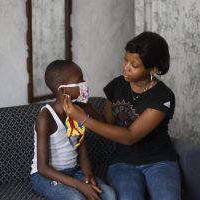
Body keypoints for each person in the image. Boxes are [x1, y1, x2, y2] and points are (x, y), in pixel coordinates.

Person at [63, 31, 182, 200]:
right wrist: (84, 105)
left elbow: (131, 136)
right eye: (126, 59)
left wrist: (83, 119)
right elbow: (106, 122)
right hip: (123, 162)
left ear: (153, 69)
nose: (126, 67)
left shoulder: (162, 96)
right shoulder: (117, 85)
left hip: (159, 161)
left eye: (134, 65)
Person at [30, 60, 116, 200]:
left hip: (75, 171)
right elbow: (43, 168)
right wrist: (80, 185)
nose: (84, 83)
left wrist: (88, 176)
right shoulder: (46, 118)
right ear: (64, 90)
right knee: (76, 198)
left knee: (109, 195)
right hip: (45, 176)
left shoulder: (79, 111)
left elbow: (84, 155)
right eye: (79, 80)